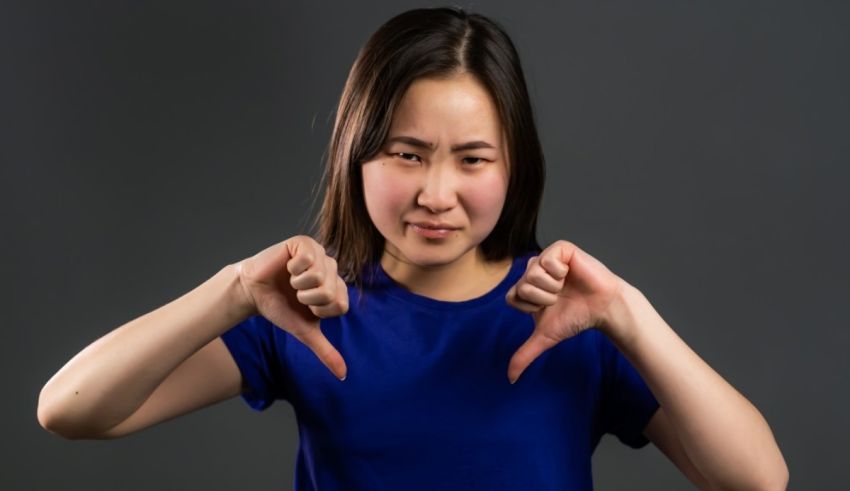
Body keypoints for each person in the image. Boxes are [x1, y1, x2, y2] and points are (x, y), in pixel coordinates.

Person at [37, 6, 788, 491]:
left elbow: (759, 480)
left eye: (472, 158)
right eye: (406, 153)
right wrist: (233, 289)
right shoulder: (303, 309)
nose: (436, 192)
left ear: (514, 166)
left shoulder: (573, 318)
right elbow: (69, 409)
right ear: (356, 156)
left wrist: (628, 310)